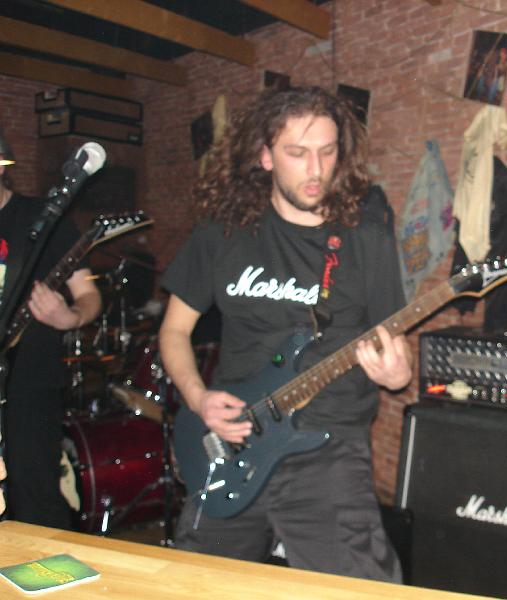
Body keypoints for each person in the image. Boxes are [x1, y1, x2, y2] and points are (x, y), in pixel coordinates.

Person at [158, 86, 412, 582]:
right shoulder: (222, 233)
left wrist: (396, 374)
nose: (315, 169)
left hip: (328, 446)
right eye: (297, 153)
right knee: (194, 585)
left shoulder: (367, 239)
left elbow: (395, 353)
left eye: (327, 151)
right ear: (265, 155)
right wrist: (198, 397)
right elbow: (174, 330)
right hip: (233, 438)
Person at [0, 134, 102, 528]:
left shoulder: (44, 218)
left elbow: (89, 295)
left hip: (29, 383)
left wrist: (69, 317)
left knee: (34, 494)